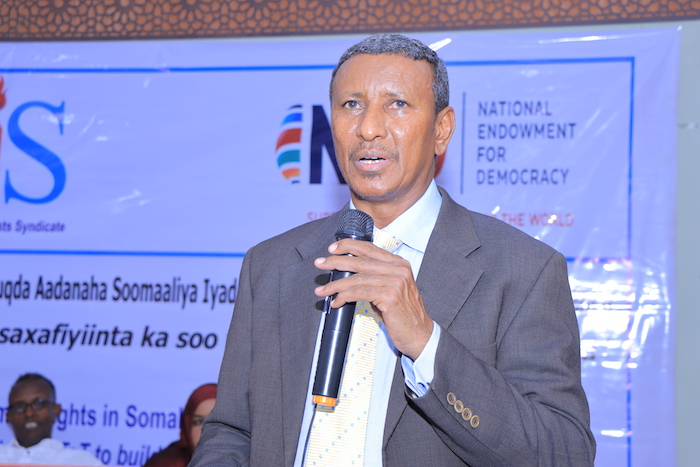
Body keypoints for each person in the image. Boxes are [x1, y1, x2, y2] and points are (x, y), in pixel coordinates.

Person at [190, 33, 596, 466]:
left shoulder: (523, 270)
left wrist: (425, 339)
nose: (368, 128)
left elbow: (563, 453)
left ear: (442, 130)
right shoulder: (270, 265)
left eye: (397, 104)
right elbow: (230, 433)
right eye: (352, 105)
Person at [0, 373, 102, 465]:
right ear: (8, 416)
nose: (29, 413)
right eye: (19, 406)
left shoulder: (83, 462)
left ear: (56, 410)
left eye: (38, 403)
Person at [143, 383, 217, 467]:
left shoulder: (234, 460)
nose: (206, 429)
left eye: (214, 421)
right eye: (199, 422)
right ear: (187, 427)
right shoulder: (164, 463)